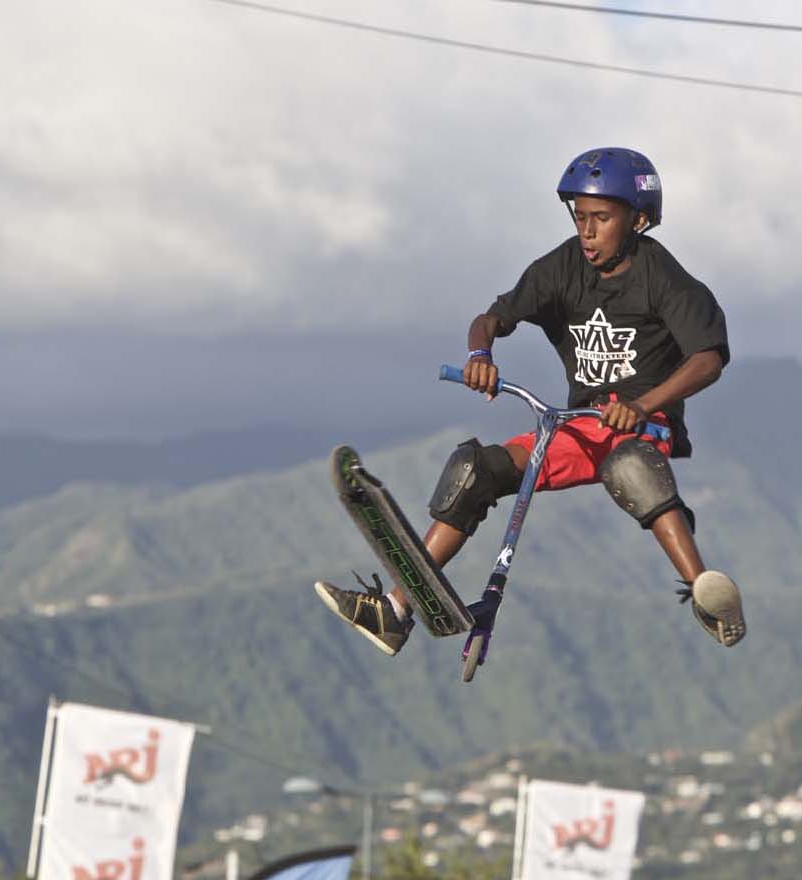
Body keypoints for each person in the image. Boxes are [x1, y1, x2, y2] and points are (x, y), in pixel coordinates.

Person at [316, 147, 745, 655]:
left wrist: (646, 404)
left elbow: (708, 359)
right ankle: (395, 611)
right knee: (475, 469)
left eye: (601, 219)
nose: (586, 232)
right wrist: (481, 352)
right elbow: (492, 318)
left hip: (644, 428)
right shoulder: (562, 267)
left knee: (630, 465)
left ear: (640, 219)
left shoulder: (664, 278)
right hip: (581, 427)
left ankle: (706, 597)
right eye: (580, 217)